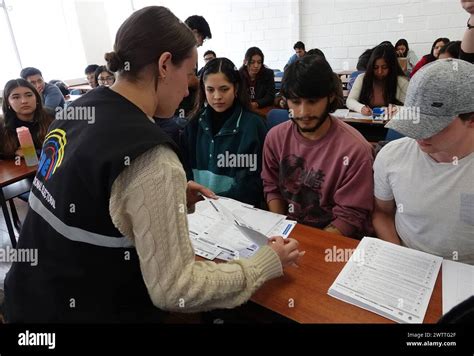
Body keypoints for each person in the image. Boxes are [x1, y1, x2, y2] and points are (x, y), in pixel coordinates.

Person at [4, 6, 302, 323]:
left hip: (27, 301)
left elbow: (88, 198)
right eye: (189, 73)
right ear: (163, 65)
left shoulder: (78, 110)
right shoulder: (150, 154)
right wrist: (264, 263)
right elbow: (176, 289)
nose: (190, 88)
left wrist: (166, 195)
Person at [373, 59, 474, 264]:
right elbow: (382, 213)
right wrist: (398, 255)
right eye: (413, 119)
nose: (417, 132)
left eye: (434, 125)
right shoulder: (392, 156)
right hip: (408, 262)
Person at [261, 55, 374, 238]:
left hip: (334, 241)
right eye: (296, 102)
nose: (304, 112)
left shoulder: (356, 150)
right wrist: (280, 231)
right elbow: (271, 186)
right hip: (290, 234)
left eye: (312, 101)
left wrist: (310, 245)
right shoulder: (275, 138)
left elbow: (349, 216)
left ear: (330, 97)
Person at [181, 58, 267, 206]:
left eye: (224, 89)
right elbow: (183, 171)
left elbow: (250, 188)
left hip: (238, 211)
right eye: (210, 89)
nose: (217, 96)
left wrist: (208, 201)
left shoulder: (253, 126)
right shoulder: (193, 124)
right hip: (198, 212)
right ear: (203, 89)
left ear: (236, 88)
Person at [346, 44, 409, 116]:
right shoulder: (362, 78)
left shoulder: (401, 82)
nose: (379, 71)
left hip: (390, 124)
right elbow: (350, 101)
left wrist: (397, 109)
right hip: (365, 122)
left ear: (392, 67)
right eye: (375, 67)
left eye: (384, 67)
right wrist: (361, 108)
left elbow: (411, 108)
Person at [0, 79, 54, 159]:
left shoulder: (51, 116)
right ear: (8, 102)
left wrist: (33, 152)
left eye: (29, 95)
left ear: (36, 97)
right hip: (18, 169)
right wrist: (14, 154)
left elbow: (67, 145)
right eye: (16, 97)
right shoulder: (2, 125)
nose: (24, 101)